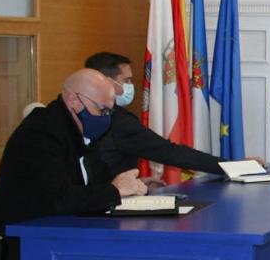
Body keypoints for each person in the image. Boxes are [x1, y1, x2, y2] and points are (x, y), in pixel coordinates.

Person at [0, 69, 149, 260]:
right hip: (28, 248)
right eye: (101, 110)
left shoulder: (76, 129)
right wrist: (115, 190)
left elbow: (96, 180)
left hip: (61, 235)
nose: (105, 118)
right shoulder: (41, 133)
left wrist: (129, 185)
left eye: (109, 112)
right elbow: (59, 199)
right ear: (73, 100)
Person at [83, 52, 228, 179]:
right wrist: (232, 167)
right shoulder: (119, 121)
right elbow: (169, 152)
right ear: (106, 82)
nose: (130, 86)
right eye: (126, 80)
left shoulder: (78, 111)